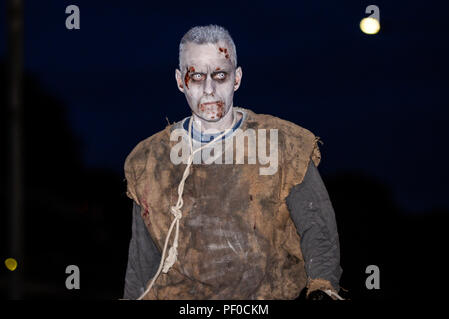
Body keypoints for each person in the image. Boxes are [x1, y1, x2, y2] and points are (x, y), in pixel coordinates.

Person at [123, 25, 343, 300]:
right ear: (180, 81)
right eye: (197, 77)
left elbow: (317, 225)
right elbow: (143, 258)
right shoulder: (149, 160)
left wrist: (323, 286)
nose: (209, 89)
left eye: (220, 75)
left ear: (236, 78)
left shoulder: (284, 143)